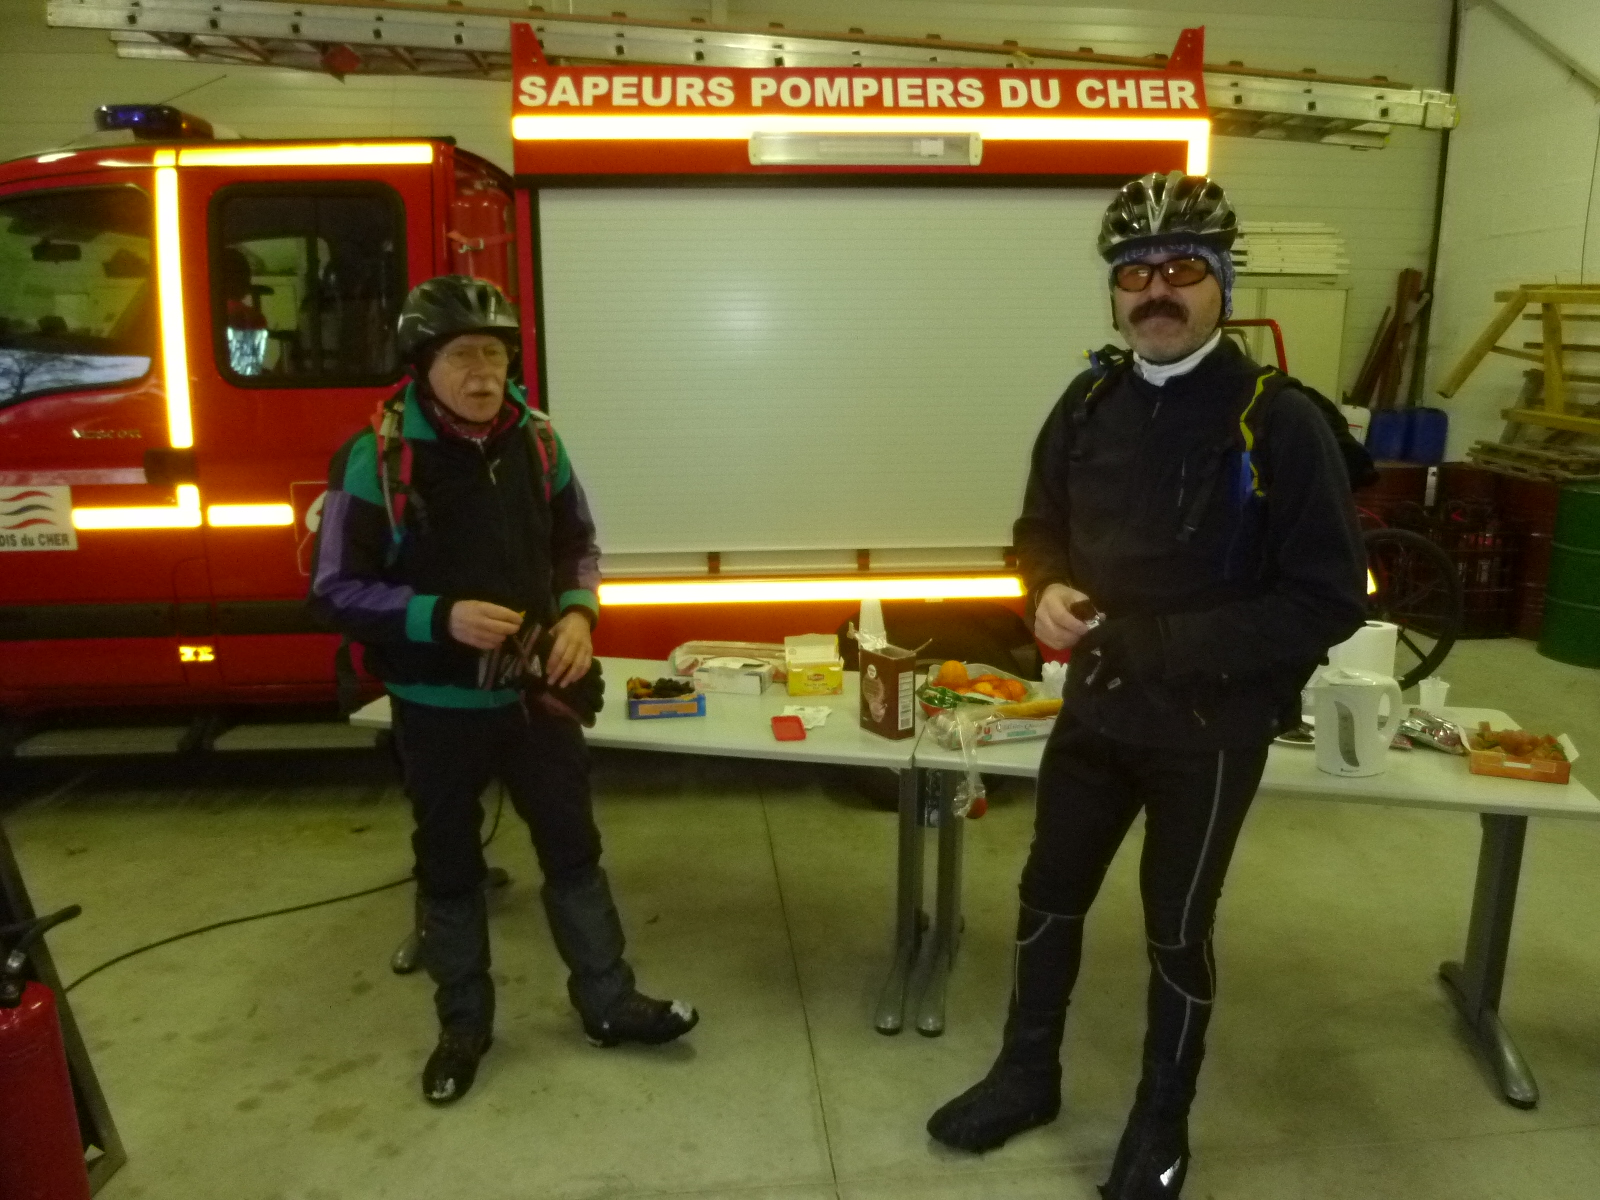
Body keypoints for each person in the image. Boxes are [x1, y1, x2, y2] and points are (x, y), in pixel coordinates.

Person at [926, 172, 1367, 1198]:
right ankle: (1026, 1076)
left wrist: (1163, 643)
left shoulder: (1278, 421)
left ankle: (1159, 1124)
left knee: (1174, 929)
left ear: (1220, 283)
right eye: (1134, 273)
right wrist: (1043, 588)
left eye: (1181, 269)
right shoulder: (1089, 402)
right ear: (1114, 289)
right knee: (1047, 897)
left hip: (1209, 729)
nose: (1155, 290)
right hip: (1095, 709)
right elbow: (1037, 527)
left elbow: (1329, 597)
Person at [310, 275, 698, 1105]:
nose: (483, 373)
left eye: (494, 354)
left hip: (536, 699)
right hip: (437, 708)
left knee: (574, 850)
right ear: (422, 365)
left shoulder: (539, 441)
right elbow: (334, 589)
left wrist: (580, 617)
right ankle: (464, 1026)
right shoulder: (377, 458)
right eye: (462, 356)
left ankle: (608, 1003)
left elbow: (577, 545)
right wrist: (438, 616)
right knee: (450, 867)